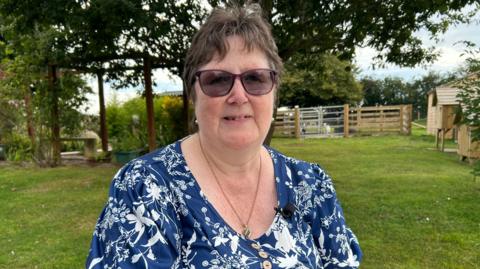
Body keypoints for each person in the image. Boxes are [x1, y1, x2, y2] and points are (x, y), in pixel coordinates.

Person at [86, 3, 362, 269]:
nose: (239, 96)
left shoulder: (312, 185)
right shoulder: (144, 189)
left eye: (255, 78)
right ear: (193, 95)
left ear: (274, 92)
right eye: (217, 80)